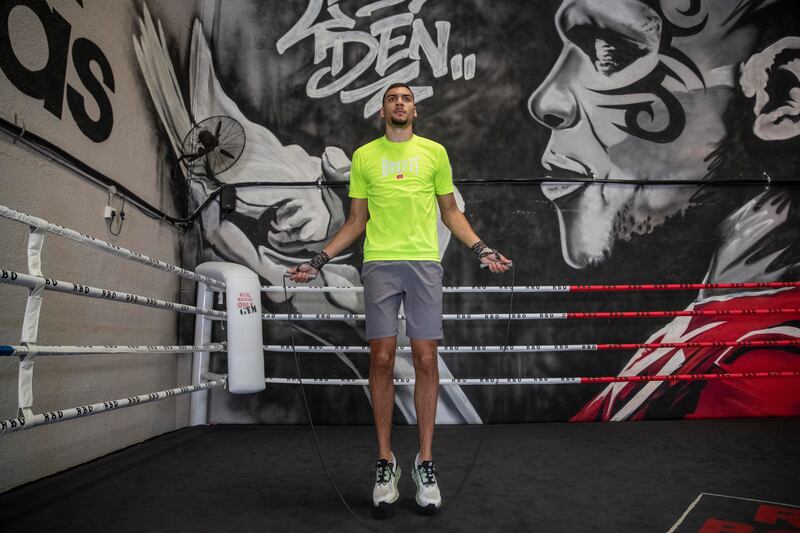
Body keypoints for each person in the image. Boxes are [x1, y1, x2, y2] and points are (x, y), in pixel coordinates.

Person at [528, 0, 800, 419]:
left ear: (780, 93)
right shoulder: (706, 330)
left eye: (611, 52)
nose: (546, 100)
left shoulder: (759, 368)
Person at [290, 82, 510, 513]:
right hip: (379, 265)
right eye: (392, 98)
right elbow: (356, 221)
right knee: (383, 360)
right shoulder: (364, 157)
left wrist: (481, 248)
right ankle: (385, 462)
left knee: (426, 358)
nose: (399, 103)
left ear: (415, 111)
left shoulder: (434, 153)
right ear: (383, 111)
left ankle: (425, 462)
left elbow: (450, 211)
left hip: (424, 264)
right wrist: (318, 260)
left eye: (406, 98)